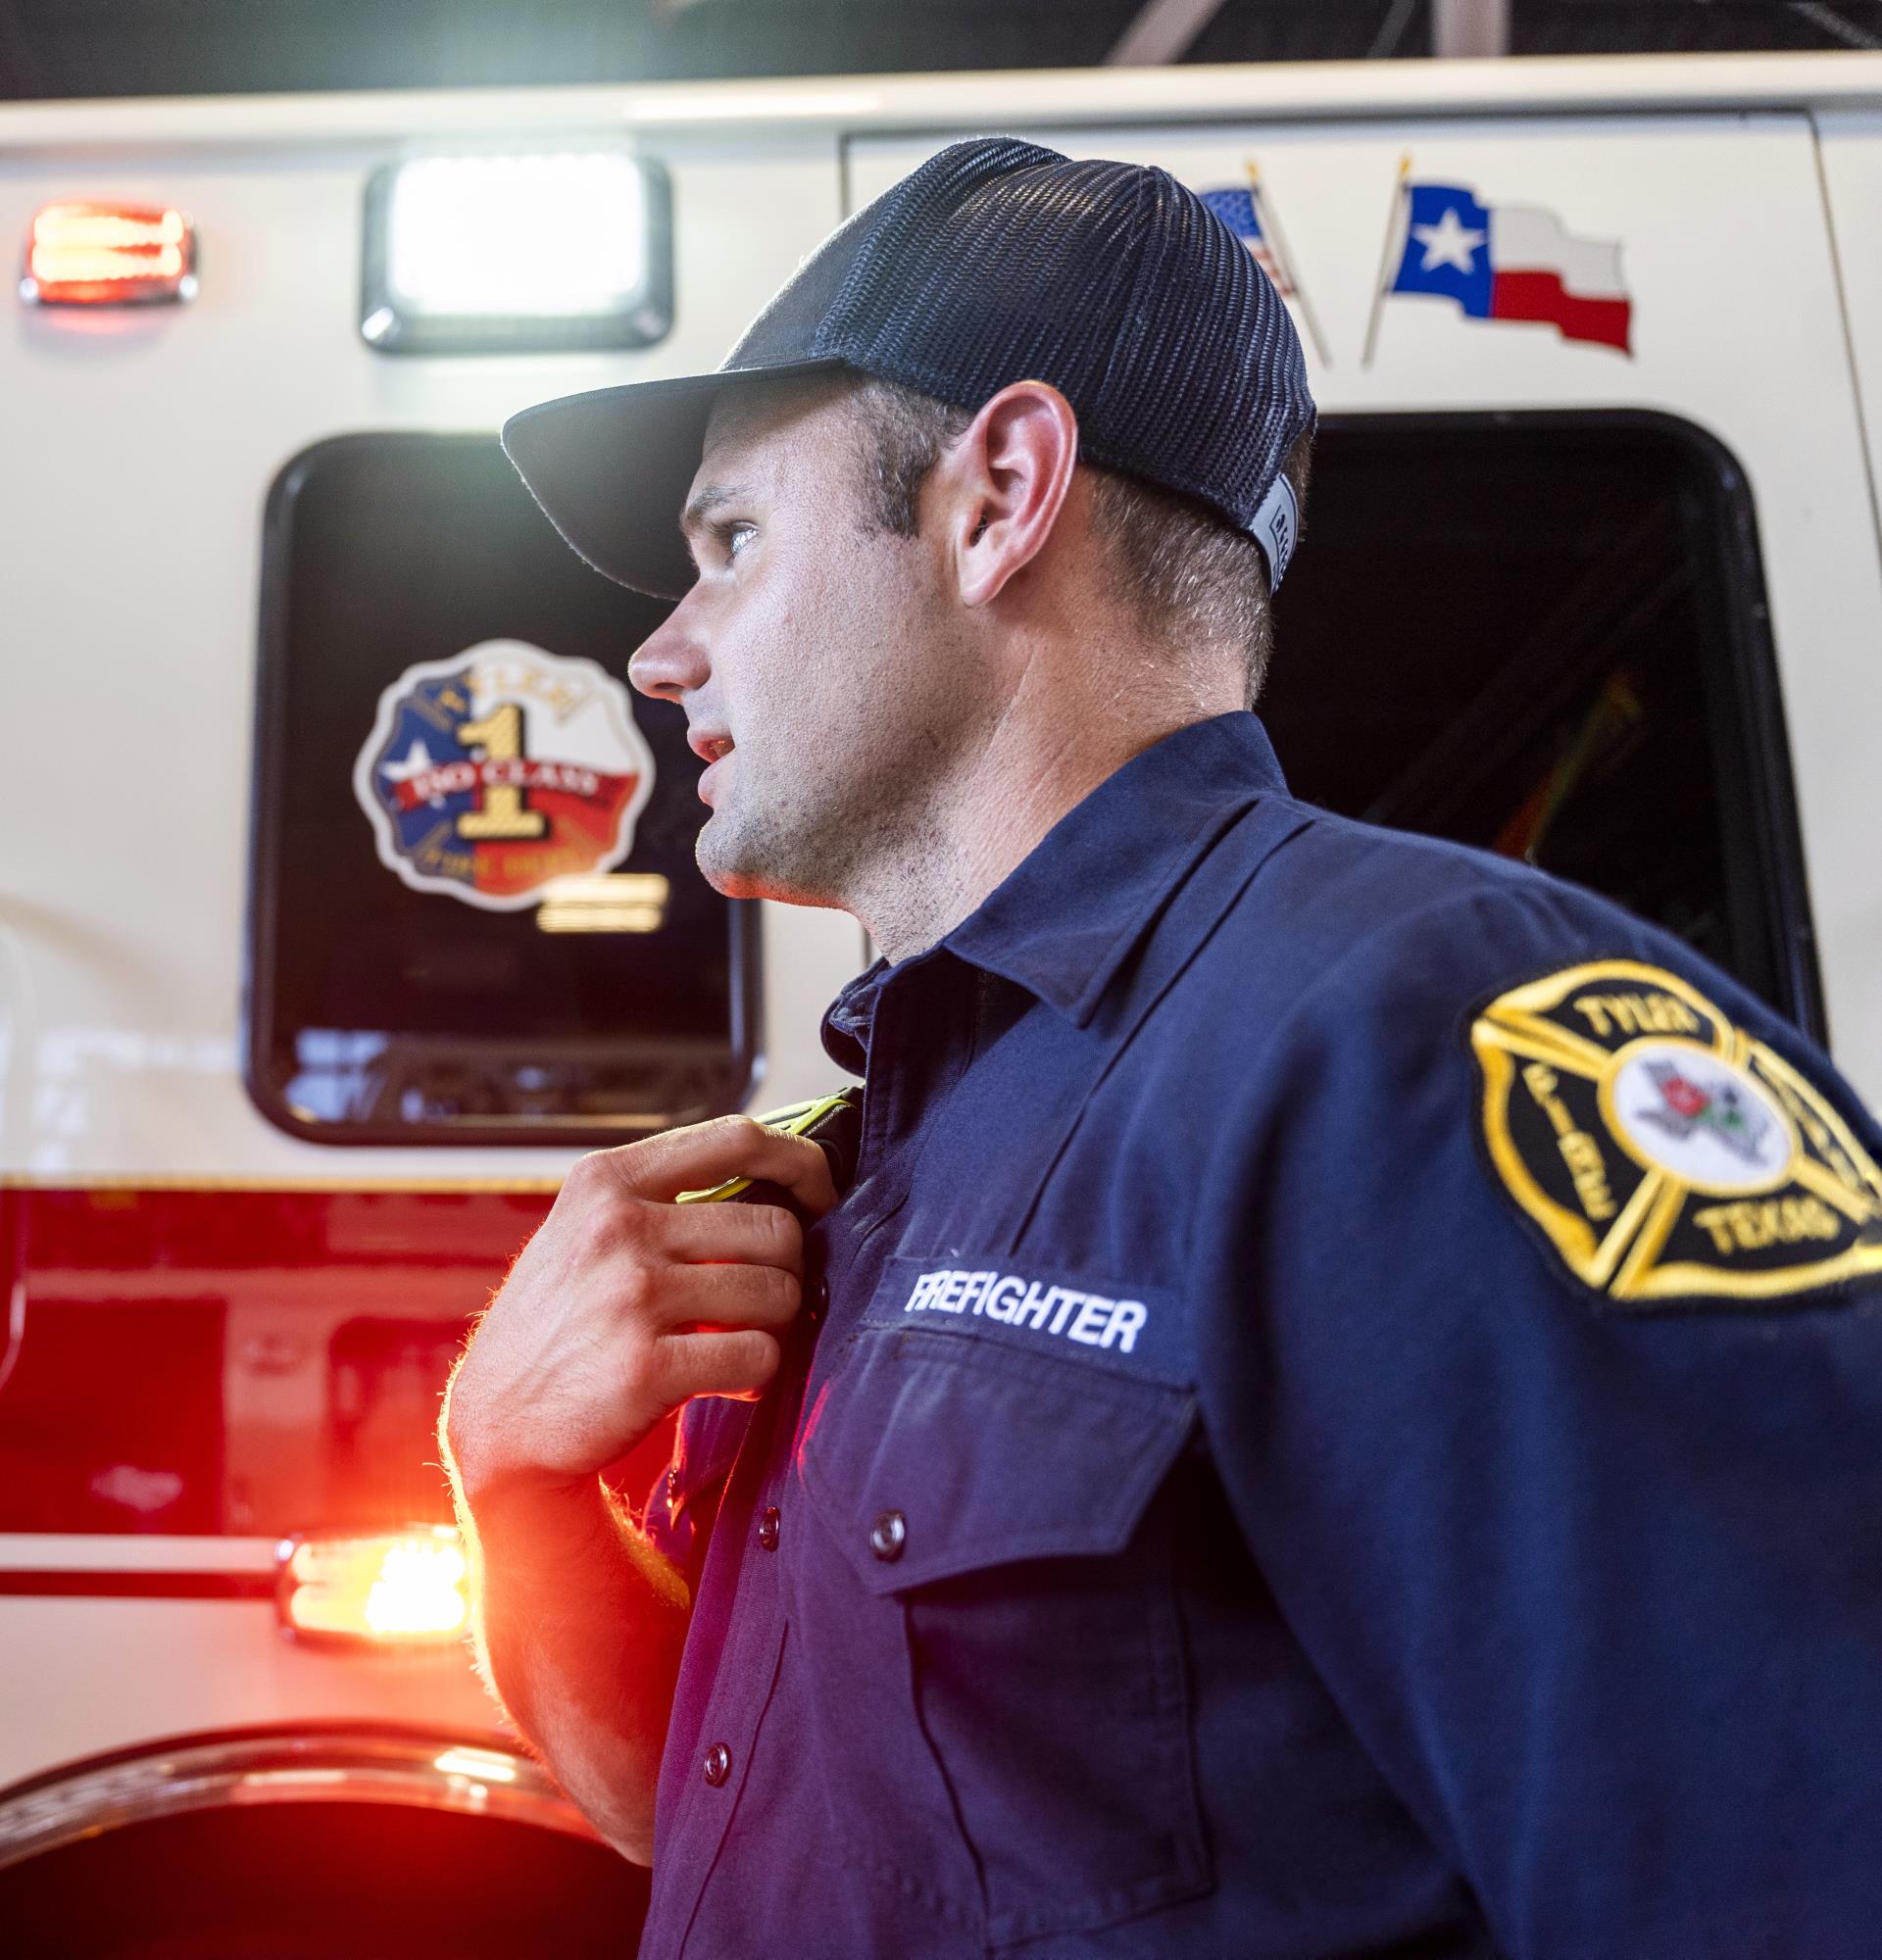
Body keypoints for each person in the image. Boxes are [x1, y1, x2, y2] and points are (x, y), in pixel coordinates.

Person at [442, 138, 1882, 1958]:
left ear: (1000, 494)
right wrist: (515, 1478)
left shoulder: (1420, 1047)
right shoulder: (885, 1137)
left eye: (731, 540)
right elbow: (780, 1844)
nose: (663, 651)